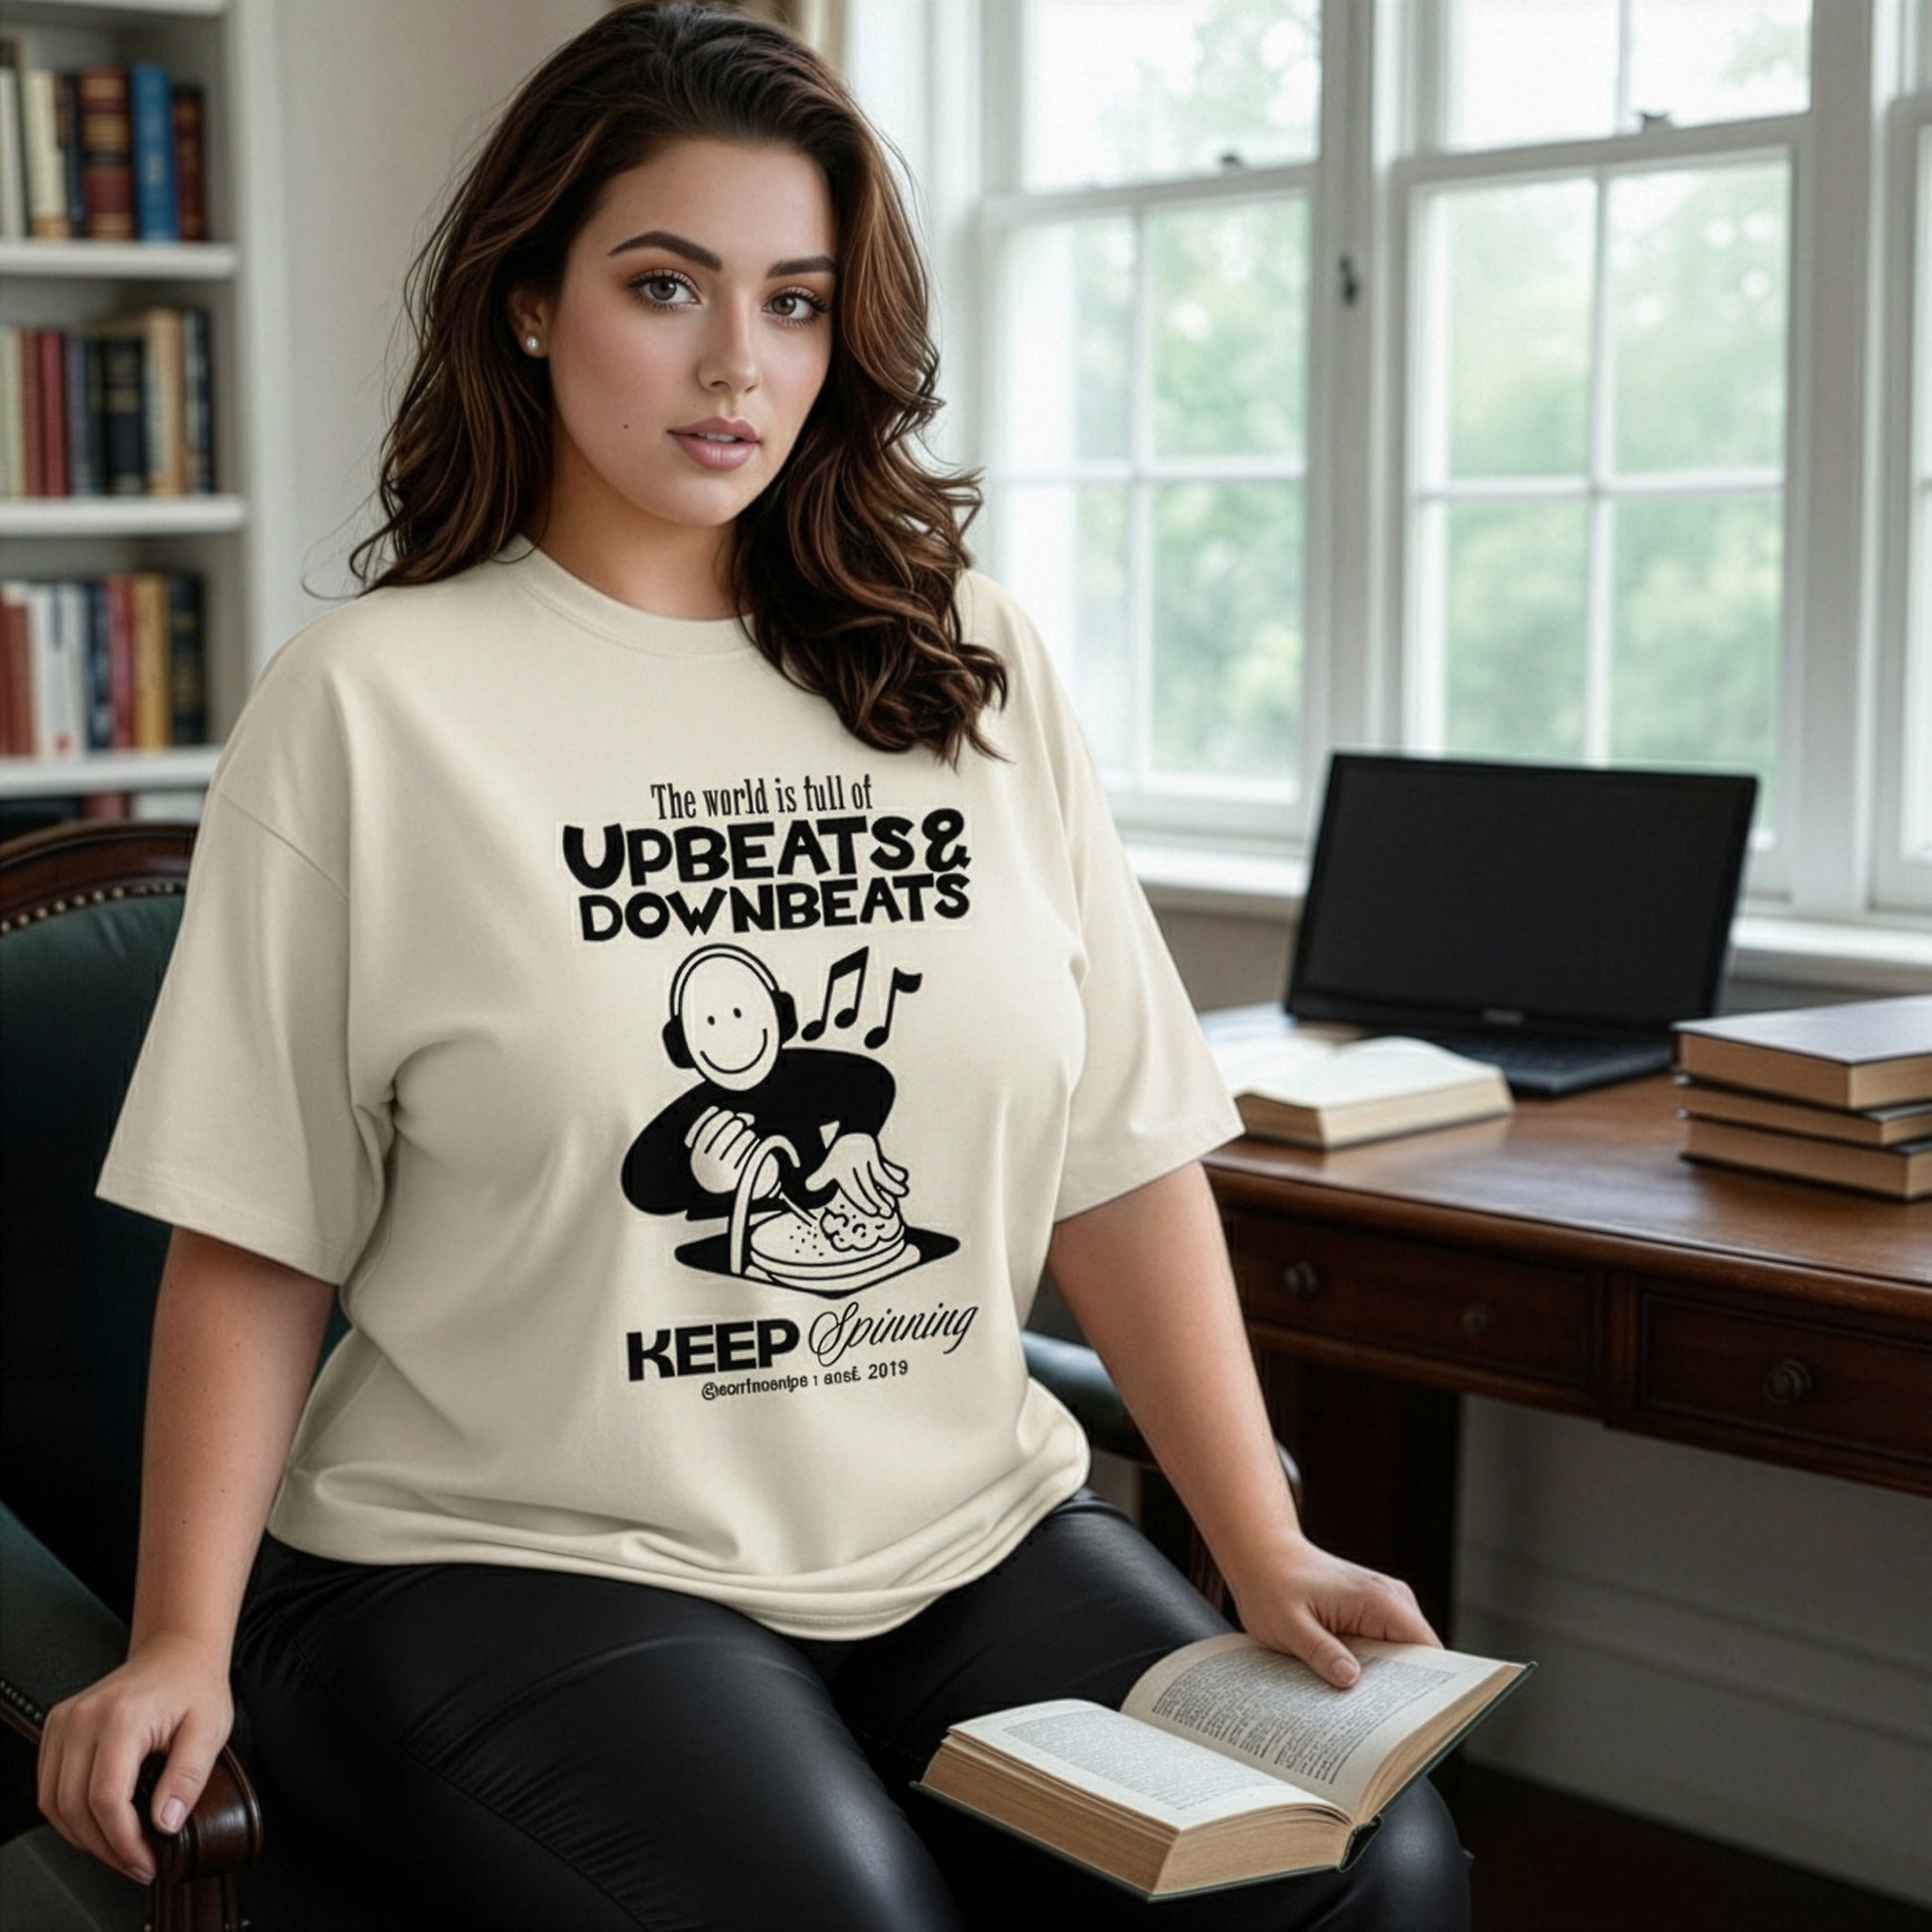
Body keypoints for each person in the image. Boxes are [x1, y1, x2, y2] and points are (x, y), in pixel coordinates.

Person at [37, 4, 1473, 1926]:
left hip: (963, 1534)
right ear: (529, 299)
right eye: (665, 284)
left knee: (1358, 1876)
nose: (738, 363)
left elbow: (1116, 1148)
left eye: (795, 301)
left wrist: (1260, 1538)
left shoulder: (961, 657)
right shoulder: (373, 705)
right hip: (506, 1559)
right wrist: (176, 1638)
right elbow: (255, 1221)